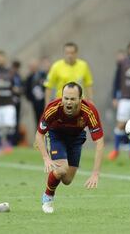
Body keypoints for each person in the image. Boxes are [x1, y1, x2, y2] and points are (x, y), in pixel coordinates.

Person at [35, 82, 104, 214]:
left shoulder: (89, 111)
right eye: (66, 98)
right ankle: (48, 196)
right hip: (57, 136)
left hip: (76, 138)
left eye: (72, 99)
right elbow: (39, 135)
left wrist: (95, 173)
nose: (68, 102)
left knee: (67, 180)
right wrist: (46, 158)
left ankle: (54, 177)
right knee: (62, 170)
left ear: (80, 98)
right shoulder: (53, 108)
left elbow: (99, 142)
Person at [25, 58, 47, 125]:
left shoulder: (43, 75)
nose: (32, 68)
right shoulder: (29, 78)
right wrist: (31, 98)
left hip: (44, 100)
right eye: (31, 66)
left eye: (34, 66)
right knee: (38, 119)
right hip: (35, 102)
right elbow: (27, 90)